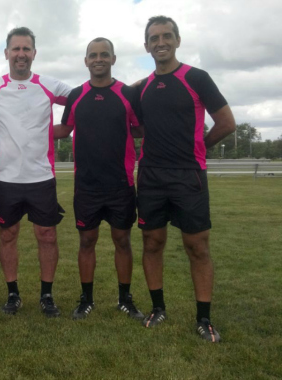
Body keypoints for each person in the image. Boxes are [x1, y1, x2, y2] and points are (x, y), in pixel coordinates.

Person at [137, 16, 236, 342]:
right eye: (154, 37)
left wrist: (199, 148)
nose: (160, 42)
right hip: (150, 177)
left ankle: (204, 318)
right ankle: (157, 307)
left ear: (177, 40)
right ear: (147, 45)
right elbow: (137, 127)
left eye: (166, 36)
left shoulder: (196, 77)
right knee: (152, 242)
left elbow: (226, 122)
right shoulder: (142, 88)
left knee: (197, 246)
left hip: (188, 176)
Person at [0, 27, 72, 317]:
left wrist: (64, 129)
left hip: (41, 177)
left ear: (34, 53)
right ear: (6, 53)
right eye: (15, 49)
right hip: (6, 178)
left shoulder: (49, 84)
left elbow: (83, 98)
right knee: (8, 235)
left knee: (47, 236)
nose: (21, 54)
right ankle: (13, 294)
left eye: (26, 49)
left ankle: (46, 296)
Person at [54, 37, 144, 321]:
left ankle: (125, 299)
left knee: (122, 241)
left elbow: (141, 129)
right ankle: (86, 299)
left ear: (113, 59)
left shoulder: (127, 94)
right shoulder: (77, 94)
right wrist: (21, 128)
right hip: (87, 186)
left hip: (120, 185)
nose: (99, 59)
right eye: (93, 55)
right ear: (86, 61)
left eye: (104, 54)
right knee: (86, 242)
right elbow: (64, 129)